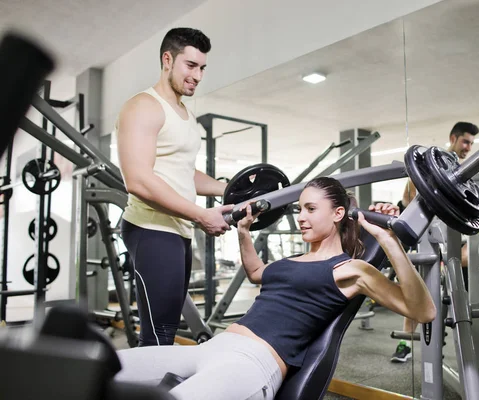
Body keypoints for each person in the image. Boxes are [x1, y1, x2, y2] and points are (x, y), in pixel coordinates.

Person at [114, 176, 437, 400]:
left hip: (252, 364)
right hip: (210, 349)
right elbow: (256, 272)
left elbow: (423, 311)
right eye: (299, 209)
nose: (301, 217)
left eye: (310, 209)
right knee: (102, 366)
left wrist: (390, 242)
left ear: (338, 213)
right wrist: (243, 232)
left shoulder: (350, 268)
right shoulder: (291, 260)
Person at [116, 27, 234, 346]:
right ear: (168, 60)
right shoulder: (143, 106)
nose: (197, 75)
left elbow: (185, 171)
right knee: (159, 334)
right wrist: (199, 214)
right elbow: (138, 179)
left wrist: (229, 189)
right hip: (152, 228)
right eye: (190, 65)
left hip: (177, 230)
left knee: (166, 329)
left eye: (202, 68)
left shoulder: (183, 113)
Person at [391, 122, 479, 369]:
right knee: (415, 294)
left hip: (459, 241)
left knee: (465, 297)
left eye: (471, 143)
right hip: (429, 239)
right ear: (453, 138)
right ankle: (406, 344)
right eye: (465, 141)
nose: (468, 147)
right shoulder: (431, 164)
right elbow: (407, 200)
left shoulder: (472, 167)